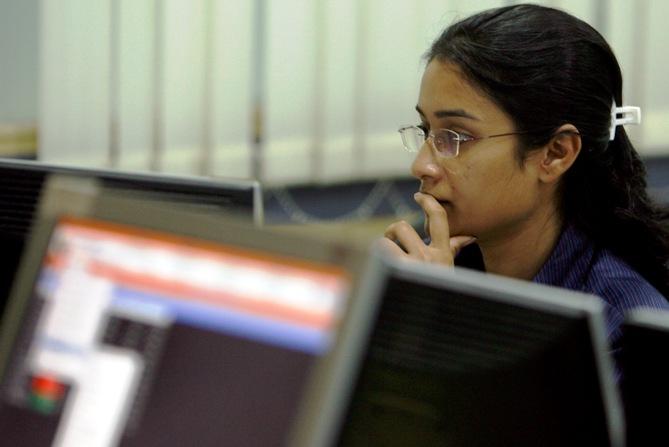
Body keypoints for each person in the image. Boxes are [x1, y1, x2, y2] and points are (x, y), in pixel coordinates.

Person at [382, 3, 669, 365]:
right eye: (427, 132)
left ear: (555, 154)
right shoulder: (437, 265)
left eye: (456, 136)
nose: (420, 165)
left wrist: (439, 319)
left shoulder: (623, 333)